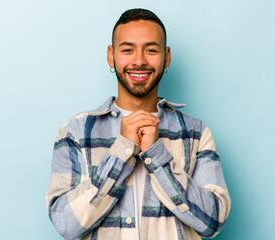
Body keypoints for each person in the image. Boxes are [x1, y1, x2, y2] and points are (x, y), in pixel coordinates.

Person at [46, 8, 231, 240]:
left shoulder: (196, 133)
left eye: (151, 50)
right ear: (111, 56)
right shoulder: (75, 132)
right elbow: (66, 224)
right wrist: (122, 150)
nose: (140, 61)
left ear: (167, 57)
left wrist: (156, 155)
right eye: (128, 50)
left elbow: (213, 222)